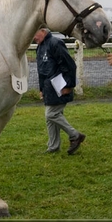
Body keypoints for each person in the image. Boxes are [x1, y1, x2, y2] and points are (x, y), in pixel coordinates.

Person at [34, 26, 86, 155]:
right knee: (50, 117)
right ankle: (53, 146)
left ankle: (75, 135)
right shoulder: (40, 47)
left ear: (42, 31)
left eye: (35, 34)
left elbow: (69, 65)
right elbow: (41, 71)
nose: (33, 38)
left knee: (51, 114)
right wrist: (41, 89)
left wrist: (69, 86)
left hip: (60, 87)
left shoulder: (55, 43)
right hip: (49, 88)